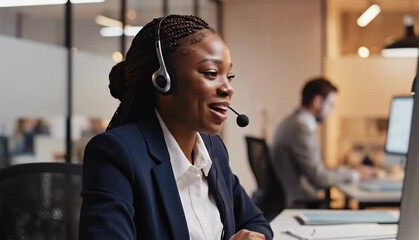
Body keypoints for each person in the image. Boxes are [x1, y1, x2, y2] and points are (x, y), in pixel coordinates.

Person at [79, 15, 273, 240]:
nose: (227, 88)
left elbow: (256, 222)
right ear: (163, 80)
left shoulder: (212, 148)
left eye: (229, 76)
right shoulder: (117, 154)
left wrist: (254, 237)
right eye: (211, 73)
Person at [270, 77, 376, 208]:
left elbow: (318, 170)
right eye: (330, 105)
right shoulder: (300, 127)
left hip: (300, 201)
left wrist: (348, 170)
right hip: (302, 205)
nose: (330, 112)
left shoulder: (294, 122)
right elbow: (319, 178)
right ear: (318, 101)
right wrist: (355, 174)